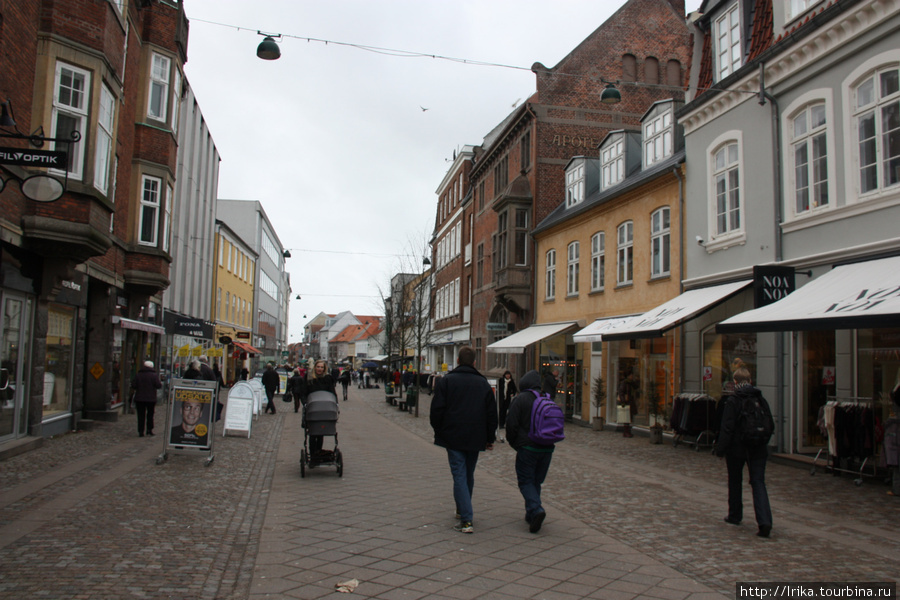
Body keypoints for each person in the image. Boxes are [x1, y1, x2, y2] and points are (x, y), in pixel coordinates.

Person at [430, 346, 497, 534]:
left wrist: (439, 430)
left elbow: (436, 409)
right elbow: (492, 413)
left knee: (459, 474)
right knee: (468, 473)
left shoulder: (447, 381)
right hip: (476, 436)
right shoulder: (483, 383)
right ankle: (462, 509)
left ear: (458, 361)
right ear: (474, 362)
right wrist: (489, 437)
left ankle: (466, 519)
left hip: (453, 435)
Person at [715, 367, 774, 538]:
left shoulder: (733, 400)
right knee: (758, 482)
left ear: (735, 382)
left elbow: (727, 427)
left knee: (735, 480)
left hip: (737, 448)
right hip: (758, 448)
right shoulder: (760, 399)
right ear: (750, 381)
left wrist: (721, 449)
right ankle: (765, 521)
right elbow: (770, 424)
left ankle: (735, 515)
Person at [506, 370, 556, 533]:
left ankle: (536, 509)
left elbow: (511, 425)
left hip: (528, 447)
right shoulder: (546, 398)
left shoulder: (520, 399)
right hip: (547, 448)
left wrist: (515, 443)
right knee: (535, 482)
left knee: (526, 481)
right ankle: (531, 514)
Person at [302, 359, 336, 455]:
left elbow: (332, 392)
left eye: (321, 367)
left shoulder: (327, 379)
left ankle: (318, 452)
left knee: (321, 432)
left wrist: (335, 403)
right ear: (315, 367)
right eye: (318, 367)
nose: (319, 369)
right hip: (312, 409)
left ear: (324, 369)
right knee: (312, 433)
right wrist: (305, 403)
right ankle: (313, 453)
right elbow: (304, 392)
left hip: (324, 408)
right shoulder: (309, 378)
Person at [131, 360, 161, 437]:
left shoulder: (138, 375)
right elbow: (158, 385)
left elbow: (134, 385)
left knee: (141, 415)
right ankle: (149, 430)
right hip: (151, 399)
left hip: (140, 398)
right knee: (150, 415)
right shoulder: (154, 375)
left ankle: (141, 431)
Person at [617, 373, 637, 438]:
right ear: (628, 376)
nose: (632, 376)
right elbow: (621, 392)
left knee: (629, 416)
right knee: (626, 417)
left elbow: (636, 387)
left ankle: (627, 431)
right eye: (631, 375)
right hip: (626, 402)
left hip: (630, 401)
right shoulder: (624, 383)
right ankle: (626, 432)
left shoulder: (630, 383)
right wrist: (623, 401)